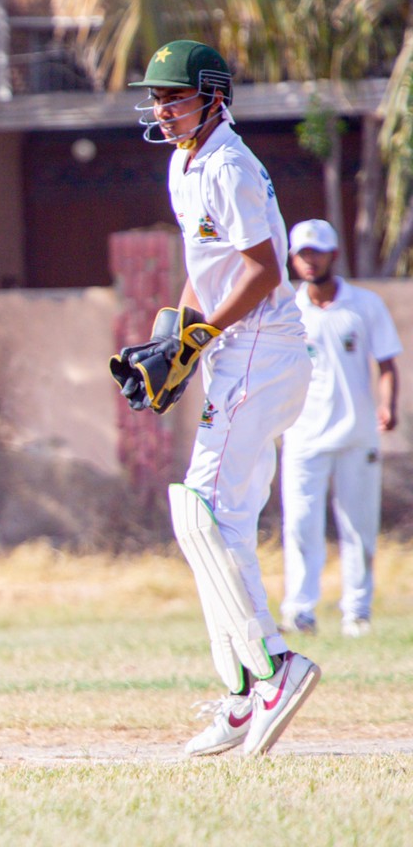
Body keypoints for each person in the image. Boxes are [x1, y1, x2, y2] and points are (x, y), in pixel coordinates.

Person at [110, 40, 318, 758]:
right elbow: (206, 268)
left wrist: (204, 335)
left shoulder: (229, 164)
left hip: (261, 348)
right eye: (157, 99)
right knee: (215, 522)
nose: (162, 110)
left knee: (200, 511)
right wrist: (176, 335)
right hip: (240, 353)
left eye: (175, 97)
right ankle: (241, 693)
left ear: (213, 97)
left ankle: (274, 667)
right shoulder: (184, 163)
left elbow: (263, 271)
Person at [278, 218, 401, 638]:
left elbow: (386, 363)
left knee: (358, 528)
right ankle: (300, 611)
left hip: (356, 434)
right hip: (302, 435)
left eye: (317, 253)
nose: (309, 261)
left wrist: (387, 406)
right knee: (300, 526)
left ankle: (357, 612)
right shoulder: (288, 310)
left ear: (333, 255)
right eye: (302, 254)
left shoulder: (364, 305)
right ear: (293, 258)